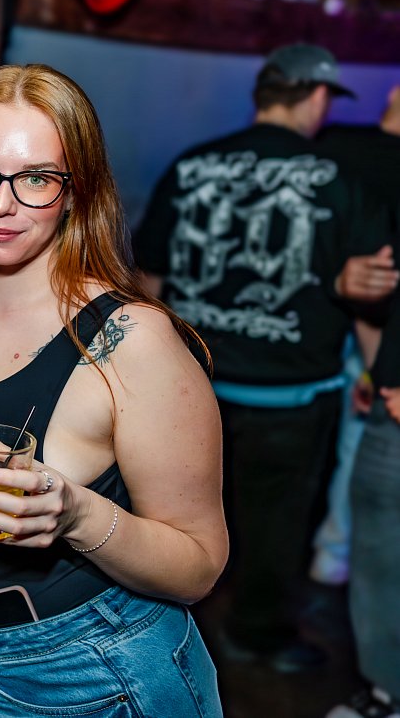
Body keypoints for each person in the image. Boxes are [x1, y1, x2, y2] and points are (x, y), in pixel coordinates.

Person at [0, 63, 228, 717]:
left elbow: (200, 564)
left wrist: (76, 514)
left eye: (36, 178)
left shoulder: (131, 341)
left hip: (96, 670)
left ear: (76, 192)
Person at [132, 43, 398, 672]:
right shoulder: (341, 177)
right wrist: (374, 370)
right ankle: (257, 636)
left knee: (177, 519)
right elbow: (368, 291)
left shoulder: (192, 163)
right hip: (290, 400)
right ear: (318, 97)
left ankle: (168, 633)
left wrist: (144, 373)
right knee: (275, 531)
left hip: (190, 390)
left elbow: (148, 281)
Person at [308, 86, 400, 588]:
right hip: (359, 327)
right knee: (356, 438)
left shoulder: (332, 142)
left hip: (350, 325)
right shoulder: (334, 143)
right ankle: (335, 553)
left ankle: (334, 554)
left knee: (353, 437)